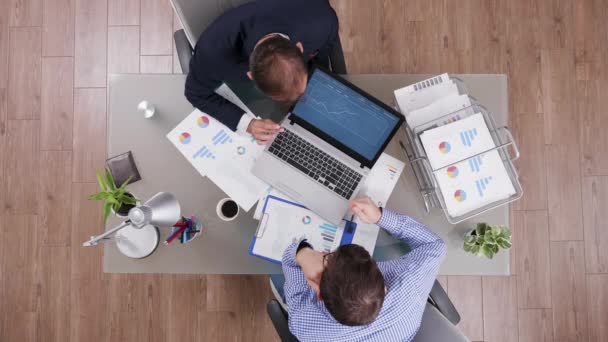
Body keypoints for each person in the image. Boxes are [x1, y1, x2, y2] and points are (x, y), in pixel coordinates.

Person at [281, 196, 447, 341]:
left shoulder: (305, 326)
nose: (326, 252)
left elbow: (290, 266)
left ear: (320, 294)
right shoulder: (409, 285)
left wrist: (302, 253)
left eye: (328, 256)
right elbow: (434, 245)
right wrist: (380, 217)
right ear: (384, 285)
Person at [185, 0, 339, 144]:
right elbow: (195, 93)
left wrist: (320, 84)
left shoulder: (323, 19)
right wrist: (248, 124)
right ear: (251, 75)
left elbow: (322, 55)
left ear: (299, 48)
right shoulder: (213, 54)